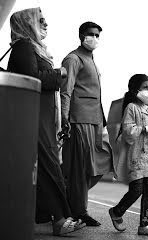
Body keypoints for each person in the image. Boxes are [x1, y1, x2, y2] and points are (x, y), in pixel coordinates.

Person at [7, 7, 84, 236]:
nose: (46, 25)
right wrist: (59, 73)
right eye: (40, 20)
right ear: (27, 23)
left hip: (41, 118)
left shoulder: (33, 48)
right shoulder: (23, 46)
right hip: (32, 118)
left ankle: (58, 217)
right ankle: (60, 221)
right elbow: (34, 80)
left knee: (46, 168)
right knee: (49, 169)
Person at [60, 21, 113, 226]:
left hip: (95, 121)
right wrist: (65, 118)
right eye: (91, 34)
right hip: (79, 119)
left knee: (103, 159)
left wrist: (103, 119)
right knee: (80, 167)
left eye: (97, 35)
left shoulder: (91, 59)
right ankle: (79, 210)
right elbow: (66, 90)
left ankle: (66, 197)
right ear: (81, 35)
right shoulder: (73, 59)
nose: (94, 38)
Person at [109, 74, 148, 236]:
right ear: (135, 89)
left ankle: (144, 226)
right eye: (145, 87)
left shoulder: (147, 109)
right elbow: (128, 132)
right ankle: (116, 212)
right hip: (136, 157)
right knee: (137, 190)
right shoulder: (131, 107)